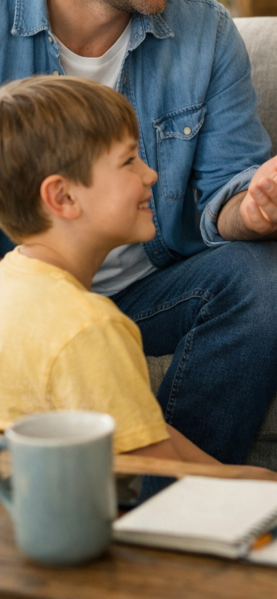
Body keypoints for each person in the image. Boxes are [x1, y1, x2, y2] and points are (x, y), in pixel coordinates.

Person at [0, 0, 277, 463]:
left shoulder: (204, 30)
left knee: (267, 275)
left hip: (147, 289)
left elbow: (224, 188)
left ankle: (175, 497)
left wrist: (251, 208)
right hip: (21, 292)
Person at [0, 76, 218, 464]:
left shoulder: (10, 282)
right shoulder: (88, 327)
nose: (150, 174)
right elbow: (156, 471)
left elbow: (139, 427)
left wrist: (238, 476)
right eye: (129, 160)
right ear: (63, 197)